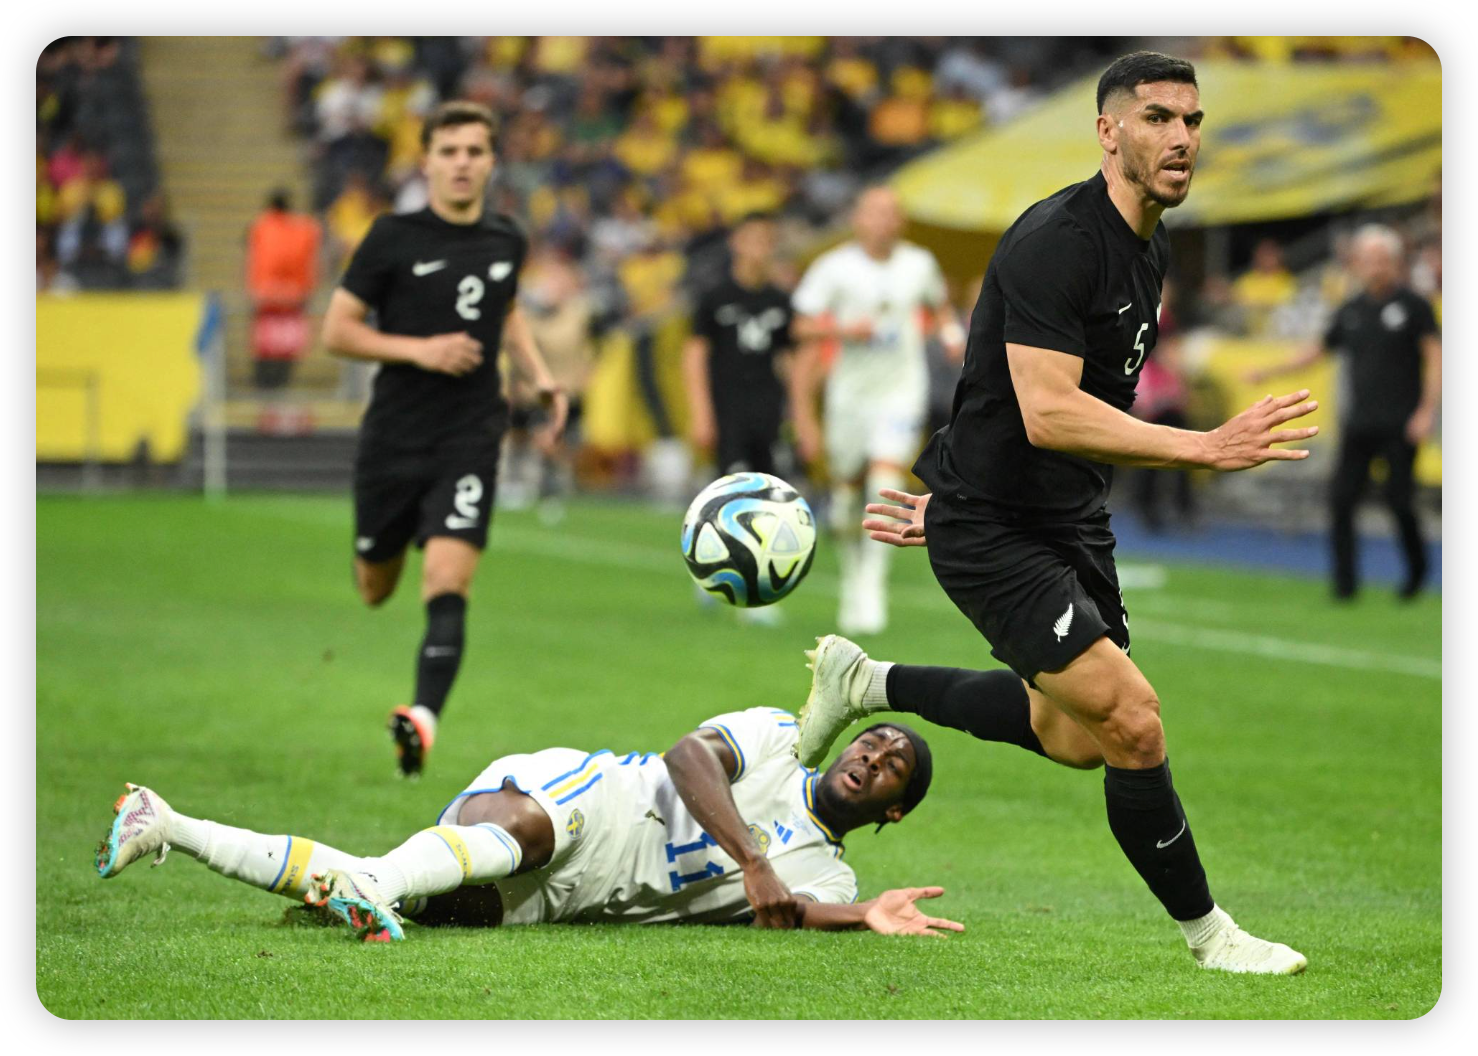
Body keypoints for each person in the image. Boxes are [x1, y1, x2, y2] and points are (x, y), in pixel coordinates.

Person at [793, 52, 1316, 975]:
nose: (1182, 139)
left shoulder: (1148, 242)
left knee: (1072, 737)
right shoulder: (1059, 241)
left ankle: (868, 684)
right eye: (1158, 118)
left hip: (1056, 517)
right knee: (1134, 722)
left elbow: (1014, 404)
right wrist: (1202, 446)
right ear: (1109, 132)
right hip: (999, 530)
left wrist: (951, 500)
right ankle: (1211, 937)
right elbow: (1047, 408)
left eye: (1192, 121)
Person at [96, 708, 960, 942]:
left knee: (394, 893)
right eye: (874, 742)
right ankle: (379, 884)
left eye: (893, 770)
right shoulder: (773, 736)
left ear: (891, 809)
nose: (875, 757)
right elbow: (688, 757)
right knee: (523, 833)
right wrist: (751, 859)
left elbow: (800, 910)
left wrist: (867, 915)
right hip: (591, 799)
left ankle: (165, 822)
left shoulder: (832, 877)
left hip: (591, 897)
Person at [320, 102, 569, 778]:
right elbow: (337, 331)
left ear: (491, 161)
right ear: (427, 160)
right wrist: (420, 350)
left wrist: (541, 378)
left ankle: (422, 719)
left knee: (449, 577)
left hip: (470, 433)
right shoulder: (391, 237)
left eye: (475, 151)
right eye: (450, 150)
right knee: (376, 585)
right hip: (394, 434)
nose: (462, 162)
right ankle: (377, 549)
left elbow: (507, 312)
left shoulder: (505, 239)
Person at [790, 186, 966, 636]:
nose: (885, 221)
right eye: (875, 212)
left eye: (892, 213)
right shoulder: (834, 267)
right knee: (848, 498)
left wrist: (949, 335)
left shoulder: (919, 264)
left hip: (900, 390)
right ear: (858, 219)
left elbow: (939, 306)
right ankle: (852, 576)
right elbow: (801, 324)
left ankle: (872, 586)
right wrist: (845, 329)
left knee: (884, 480)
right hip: (849, 395)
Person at [1249, 224, 1440, 600]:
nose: (1374, 266)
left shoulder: (1414, 306)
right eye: (1367, 259)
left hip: (1401, 423)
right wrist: (1269, 371)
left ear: (1394, 262)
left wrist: (1426, 411)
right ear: (1357, 264)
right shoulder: (1351, 309)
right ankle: (1345, 585)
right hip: (1360, 423)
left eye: (1381, 259)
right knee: (1341, 500)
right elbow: (1318, 351)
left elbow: (1434, 358)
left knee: (1399, 501)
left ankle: (1417, 573)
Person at [683, 212, 796, 480]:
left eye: (767, 240)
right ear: (736, 243)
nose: (760, 247)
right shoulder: (715, 298)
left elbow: (788, 357)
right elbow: (695, 355)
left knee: (769, 481)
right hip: (728, 404)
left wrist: (797, 411)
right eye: (754, 239)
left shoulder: (780, 301)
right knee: (733, 480)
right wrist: (700, 412)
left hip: (769, 404)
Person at [246, 189, 320, 390]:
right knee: (287, 350)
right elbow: (310, 262)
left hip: (265, 297)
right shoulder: (304, 228)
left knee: (265, 350)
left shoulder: (261, 226)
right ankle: (281, 386)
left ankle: (263, 387)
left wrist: (254, 290)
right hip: (294, 298)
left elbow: (253, 260)